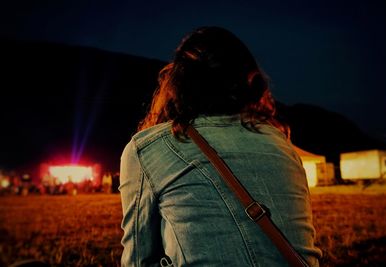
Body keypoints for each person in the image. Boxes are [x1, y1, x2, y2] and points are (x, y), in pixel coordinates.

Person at [119, 26, 322, 266]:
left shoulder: (148, 149)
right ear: (250, 82)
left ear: (176, 83)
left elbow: (137, 260)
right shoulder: (282, 144)